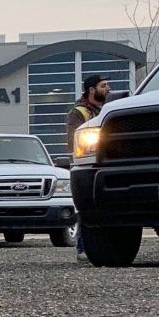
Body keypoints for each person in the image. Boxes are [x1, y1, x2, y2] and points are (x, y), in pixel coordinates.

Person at [66, 74, 111, 260]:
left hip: (107, 163)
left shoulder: (107, 111)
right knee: (87, 207)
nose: (108, 88)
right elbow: (72, 142)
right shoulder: (79, 113)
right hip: (88, 165)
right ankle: (83, 248)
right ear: (91, 90)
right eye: (103, 85)